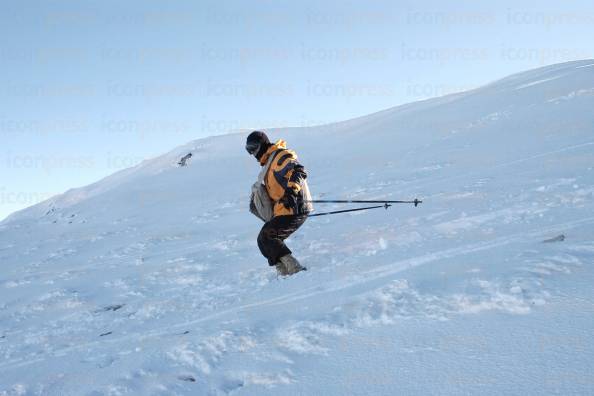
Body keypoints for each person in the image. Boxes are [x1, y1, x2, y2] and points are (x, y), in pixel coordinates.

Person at [246, 131, 313, 276]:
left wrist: (291, 191)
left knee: (268, 236)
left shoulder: (280, 156)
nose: (252, 153)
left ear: (262, 144)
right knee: (262, 240)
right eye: (248, 149)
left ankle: (294, 268)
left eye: (253, 148)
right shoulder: (269, 162)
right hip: (283, 209)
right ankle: (283, 269)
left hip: (294, 206)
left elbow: (299, 170)